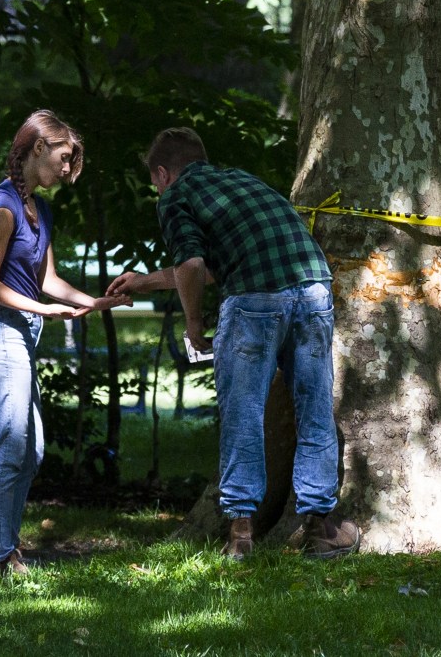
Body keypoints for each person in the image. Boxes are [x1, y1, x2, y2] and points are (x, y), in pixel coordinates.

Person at [107, 127, 359, 559]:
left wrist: (193, 325)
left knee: (243, 413)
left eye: (155, 181)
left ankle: (240, 536)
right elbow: (208, 267)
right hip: (314, 287)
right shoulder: (242, 181)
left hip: (254, 301)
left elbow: (191, 262)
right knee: (314, 407)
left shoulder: (175, 196)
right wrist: (144, 282)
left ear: (163, 173)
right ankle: (322, 529)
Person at [0, 110, 130, 578]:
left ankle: (6, 549)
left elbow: (48, 279)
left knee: (31, 449)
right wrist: (43, 310)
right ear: (38, 147)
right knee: (10, 444)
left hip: (21, 336)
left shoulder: (41, 210)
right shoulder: (3, 207)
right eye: (63, 157)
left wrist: (94, 302)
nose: (67, 169)